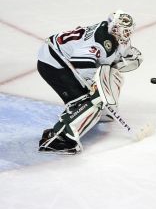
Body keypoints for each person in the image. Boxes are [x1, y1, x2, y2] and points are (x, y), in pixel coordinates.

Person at [37, 10, 144, 154]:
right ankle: (58, 138)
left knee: (114, 76)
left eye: (128, 31)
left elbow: (112, 56)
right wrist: (95, 85)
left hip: (67, 59)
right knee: (92, 100)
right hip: (54, 64)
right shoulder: (101, 40)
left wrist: (127, 56)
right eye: (123, 31)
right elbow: (81, 62)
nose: (126, 35)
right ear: (114, 27)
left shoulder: (110, 35)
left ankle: (103, 111)